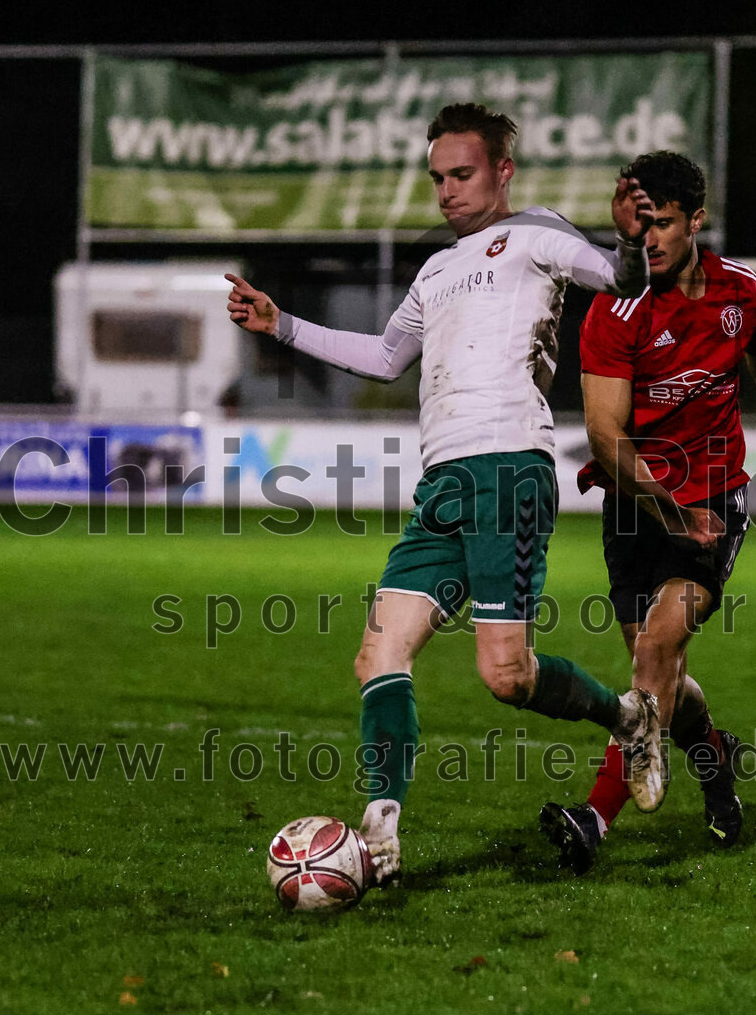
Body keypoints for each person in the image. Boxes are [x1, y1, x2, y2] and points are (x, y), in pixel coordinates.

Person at [226, 103, 665, 885]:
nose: (446, 191)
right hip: (442, 482)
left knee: (507, 678)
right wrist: (281, 324)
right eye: (435, 177)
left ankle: (629, 719)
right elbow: (387, 356)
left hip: (507, 469)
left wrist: (629, 238)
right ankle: (381, 830)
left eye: (461, 174)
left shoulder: (537, 234)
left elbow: (621, 281)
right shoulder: (435, 269)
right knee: (375, 654)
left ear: (502, 170)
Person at [539, 150, 756, 874]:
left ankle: (594, 816)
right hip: (637, 505)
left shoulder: (738, 292)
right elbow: (605, 433)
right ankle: (713, 756)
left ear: (696, 220)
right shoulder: (616, 309)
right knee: (656, 672)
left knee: (656, 651)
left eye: (660, 225)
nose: (648, 242)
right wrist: (667, 512)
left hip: (713, 498)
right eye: (636, 230)